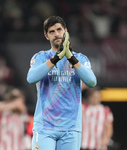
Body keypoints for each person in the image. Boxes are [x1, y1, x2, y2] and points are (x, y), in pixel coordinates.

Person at [27, 16, 97, 150]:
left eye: (59, 30)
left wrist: (70, 57)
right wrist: (56, 58)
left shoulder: (80, 58)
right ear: (46, 36)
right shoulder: (40, 57)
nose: (56, 34)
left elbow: (92, 82)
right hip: (44, 127)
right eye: (51, 31)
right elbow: (31, 78)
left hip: (71, 128)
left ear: (65, 31)